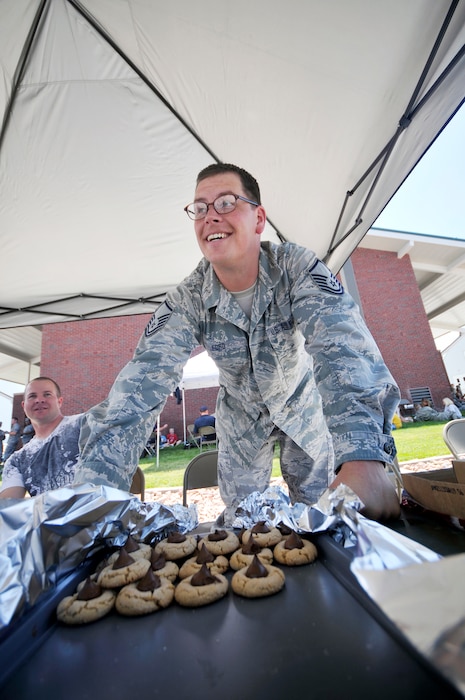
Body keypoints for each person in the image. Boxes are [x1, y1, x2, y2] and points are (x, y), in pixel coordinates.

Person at [75, 163, 400, 523]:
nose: (210, 217)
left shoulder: (295, 267)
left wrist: (363, 456)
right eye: (200, 209)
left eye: (226, 203)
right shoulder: (188, 299)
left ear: (258, 218)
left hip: (305, 415)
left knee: (326, 518)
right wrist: (94, 489)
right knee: (245, 527)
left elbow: (341, 345)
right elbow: (139, 386)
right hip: (241, 425)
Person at [0, 377, 83, 499]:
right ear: (23, 405)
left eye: (47, 394)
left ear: (59, 401)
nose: (39, 400)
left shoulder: (85, 425)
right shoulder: (17, 460)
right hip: (48, 517)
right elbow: (7, 504)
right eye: (32, 396)